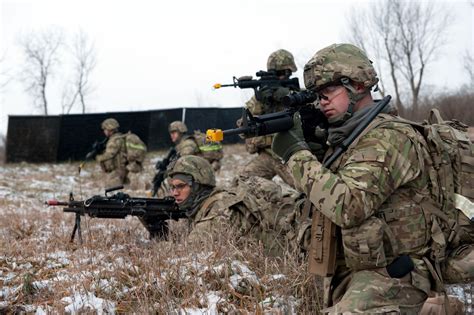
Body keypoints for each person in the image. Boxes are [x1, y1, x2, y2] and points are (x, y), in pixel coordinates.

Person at [271, 43, 446, 313]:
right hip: (362, 268)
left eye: (328, 90)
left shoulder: (388, 136)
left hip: (400, 273)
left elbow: (349, 206)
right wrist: (315, 150)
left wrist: (296, 154)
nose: (321, 101)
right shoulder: (351, 136)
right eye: (317, 94)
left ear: (358, 85)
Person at [167, 155, 301, 256]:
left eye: (180, 186)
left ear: (198, 185)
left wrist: (161, 239)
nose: (174, 193)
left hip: (294, 251)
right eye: (172, 187)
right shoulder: (214, 199)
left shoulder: (217, 214)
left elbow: (187, 256)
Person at [235, 49, 299, 188]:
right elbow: (243, 130)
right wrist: (260, 101)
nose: (281, 78)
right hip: (269, 155)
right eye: (278, 74)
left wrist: (287, 96)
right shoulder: (261, 96)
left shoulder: (297, 94)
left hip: (290, 154)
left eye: (284, 74)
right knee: (241, 182)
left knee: (309, 189)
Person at [96, 118, 129, 187]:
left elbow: (110, 154)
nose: (104, 132)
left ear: (110, 129)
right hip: (121, 170)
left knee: (110, 189)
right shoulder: (119, 137)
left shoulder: (114, 140)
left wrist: (98, 157)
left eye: (105, 129)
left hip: (118, 171)